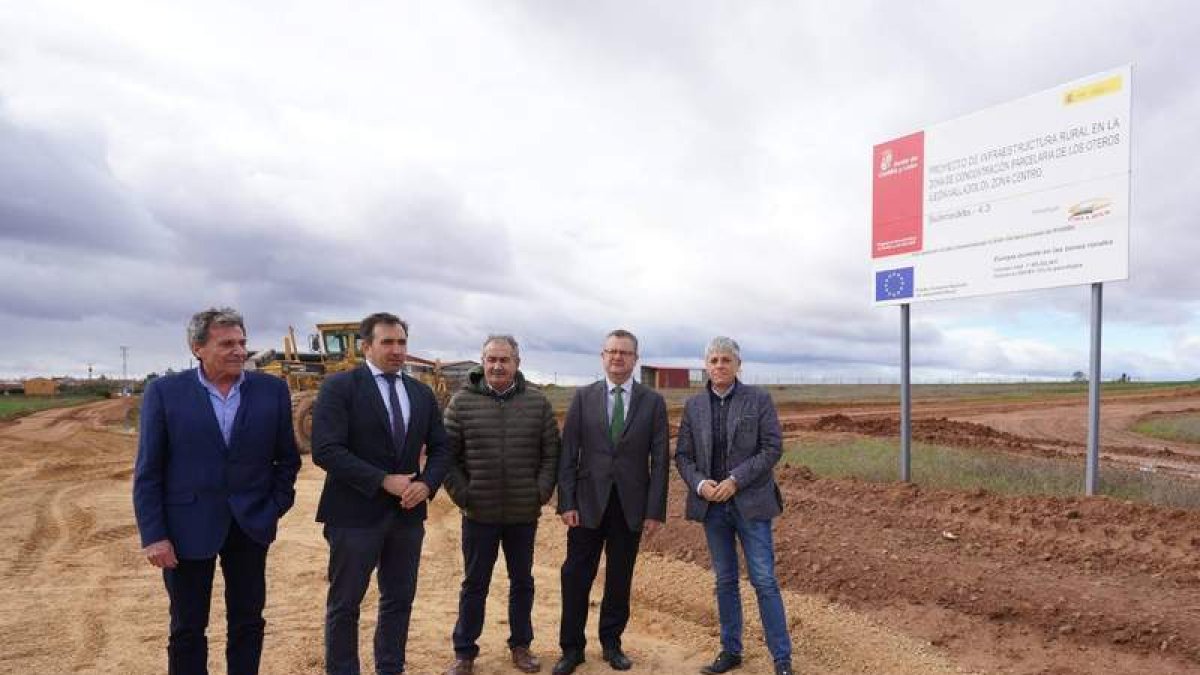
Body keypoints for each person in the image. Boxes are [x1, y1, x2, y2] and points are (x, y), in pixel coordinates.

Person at [133, 307, 301, 675]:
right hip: (185, 529)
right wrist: (155, 534)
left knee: (248, 621)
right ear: (198, 348)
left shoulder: (271, 390)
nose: (239, 351)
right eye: (227, 344)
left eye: (242, 342)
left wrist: (273, 506)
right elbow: (148, 472)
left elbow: (287, 459)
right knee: (188, 627)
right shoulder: (164, 393)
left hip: (250, 525)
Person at [311, 312, 452, 675]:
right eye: (387, 342)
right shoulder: (340, 387)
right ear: (366, 346)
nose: (396, 350)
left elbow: (441, 448)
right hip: (354, 515)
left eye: (402, 342)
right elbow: (326, 449)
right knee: (345, 604)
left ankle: (391, 667)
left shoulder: (420, 393)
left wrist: (426, 484)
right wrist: (382, 481)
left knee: (399, 600)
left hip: (407, 517)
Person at [673, 337, 794, 675]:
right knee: (725, 580)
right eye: (713, 360)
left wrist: (735, 480)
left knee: (764, 580)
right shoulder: (694, 406)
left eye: (726, 360)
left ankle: (782, 659)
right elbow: (682, 454)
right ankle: (731, 651)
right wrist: (701, 484)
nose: (719, 366)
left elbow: (772, 448)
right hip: (713, 508)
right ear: (706, 366)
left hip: (751, 504)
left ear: (738, 365)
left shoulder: (758, 400)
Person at [441, 335, 561, 675]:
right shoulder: (461, 403)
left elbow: (551, 453)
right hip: (478, 513)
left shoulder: (537, 403)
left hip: (523, 513)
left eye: (504, 360)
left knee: (522, 581)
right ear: (482, 362)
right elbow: (446, 457)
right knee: (474, 583)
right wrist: (464, 495)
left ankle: (521, 646)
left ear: (517, 364)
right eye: (491, 359)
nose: (497, 366)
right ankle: (464, 653)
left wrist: (539, 492)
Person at [553, 329, 669, 674]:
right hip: (587, 504)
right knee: (575, 576)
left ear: (635, 359)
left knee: (620, 578)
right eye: (612, 351)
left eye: (625, 352)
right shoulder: (583, 398)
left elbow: (660, 459)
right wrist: (567, 502)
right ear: (602, 357)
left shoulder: (653, 402)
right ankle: (572, 649)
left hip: (629, 506)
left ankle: (612, 643)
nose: (618, 357)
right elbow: (567, 454)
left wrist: (654, 509)